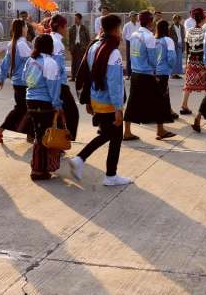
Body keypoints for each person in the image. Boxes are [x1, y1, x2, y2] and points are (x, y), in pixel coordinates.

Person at [63, 14, 133, 186]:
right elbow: (115, 83)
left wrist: (88, 100)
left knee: (109, 135)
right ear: (115, 30)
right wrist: (118, 108)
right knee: (112, 136)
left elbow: (87, 75)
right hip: (109, 103)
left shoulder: (94, 46)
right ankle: (101, 170)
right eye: (119, 29)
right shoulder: (113, 52)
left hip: (96, 99)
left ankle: (103, 170)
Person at [123, 11, 176, 141]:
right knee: (160, 100)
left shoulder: (134, 35)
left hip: (135, 72)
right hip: (146, 74)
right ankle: (160, 130)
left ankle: (127, 131)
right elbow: (153, 59)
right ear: (149, 22)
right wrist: (155, 73)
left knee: (132, 102)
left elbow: (131, 54)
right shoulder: (149, 37)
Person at [23, 34, 64, 181]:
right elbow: (54, 87)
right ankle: (38, 170)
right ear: (50, 46)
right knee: (44, 136)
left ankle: (40, 167)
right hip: (45, 103)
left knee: (39, 133)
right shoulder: (50, 62)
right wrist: (57, 105)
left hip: (30, 100)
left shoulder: (31, 60)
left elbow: (25, 79)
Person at [0, 19, 35, 143]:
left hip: (18, 81)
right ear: (22, 29)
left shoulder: (13, 43)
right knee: (24, 108)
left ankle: (30, 134)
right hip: (24, 82)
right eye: (26, 27)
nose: (27, 29)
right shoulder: (21, 44)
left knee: (24, 108)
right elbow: (33, 60)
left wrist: (2, 78)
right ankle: (1, 129)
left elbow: (5, 63)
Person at [49, 14, 80, 141]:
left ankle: (59, 141)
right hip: (59, 84)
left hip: (52, 82)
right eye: (65, 26)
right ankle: (65, 139)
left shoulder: (50, 38)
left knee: (59, 114)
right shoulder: (58, 44)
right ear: (60, 27)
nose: (66, 29)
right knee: (72, 113)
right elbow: (57, 68)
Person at [180, 8, 206, 116]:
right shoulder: (204, 32)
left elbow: (187, 48)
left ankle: (184, 105)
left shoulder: (189, 31)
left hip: (191, 60)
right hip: (201, 62)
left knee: (188, 84)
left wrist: (187, 62)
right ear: (203, 19)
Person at [154, 19, 178, 122]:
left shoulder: (154, 40)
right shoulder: (168, 40)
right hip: (163, 70)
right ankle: (163, 115)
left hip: (154, 70)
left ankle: (169, 111)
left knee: (160, 92)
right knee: (163, 93)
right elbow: (172, 57)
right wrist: (170, 68)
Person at [68, 13, 90, 81]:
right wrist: (70, 47)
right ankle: (73, 77)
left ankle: (79, 77)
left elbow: (88, 39)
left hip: (82, 47)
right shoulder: (72, 28)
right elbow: (70, 39)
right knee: (73, 62)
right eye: (74, 19)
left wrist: (86, 47)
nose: (75, 20)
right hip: (74, 47)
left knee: (80, 62)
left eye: (76, 19)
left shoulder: (84, 28)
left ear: (80, 19)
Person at [122, 12, 139, 79]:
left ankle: (136, 74)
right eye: (133, 16)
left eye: (135, 16)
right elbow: (123, 35)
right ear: (130, 17)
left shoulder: (139, 24)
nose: (135, 17)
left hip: (137, 42)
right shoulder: (127, 25)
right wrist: (126, 42)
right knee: (129, 58)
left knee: (136, 57)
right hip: (129, 42)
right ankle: (128, 75)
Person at [169, 14, 186, 79]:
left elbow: (183, 36)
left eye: (178, 19)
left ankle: (177, 73)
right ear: (173, 20)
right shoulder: (170, 27)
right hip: (174, 45)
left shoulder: (182, 27)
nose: (177, 20)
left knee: (179, 60)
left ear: (180, 20)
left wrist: (184, 45)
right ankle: (172, 74)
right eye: (175, 19)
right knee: (174, 60)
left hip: (180, 44)